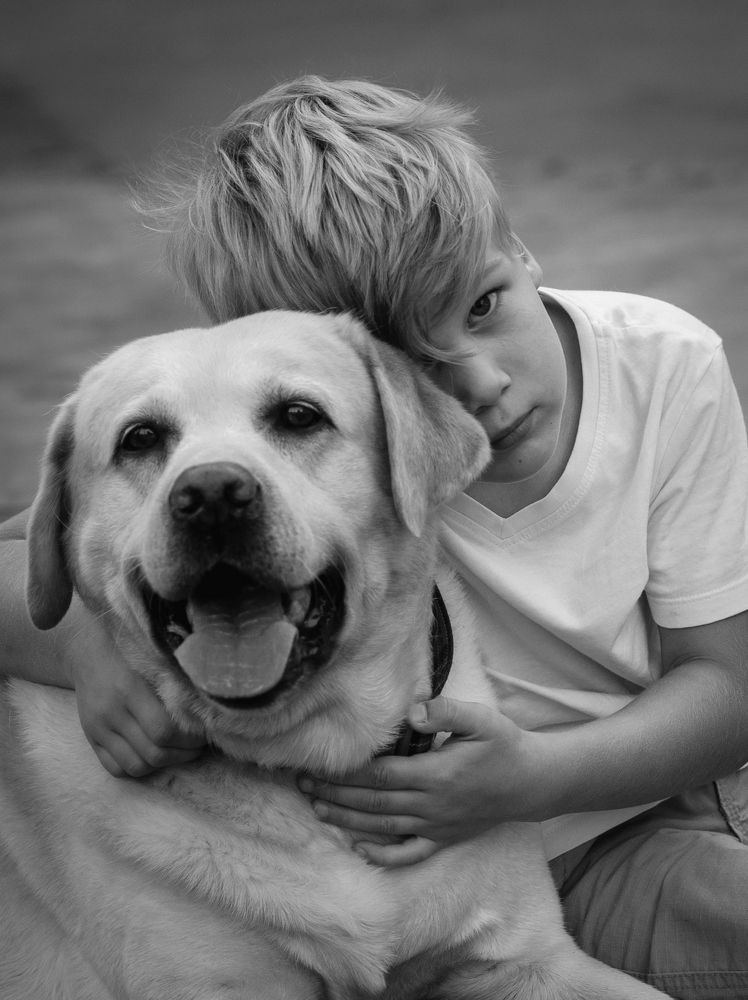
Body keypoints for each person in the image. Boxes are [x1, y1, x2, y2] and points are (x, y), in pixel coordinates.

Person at [3, 76, 748, 997]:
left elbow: (729, 682)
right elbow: (29, 557)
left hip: (595, 815)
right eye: (416, 363)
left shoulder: (657, 368)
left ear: (518, 250)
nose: (474, 383)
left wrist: (537, 781)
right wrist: (88, 647)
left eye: (482, 306)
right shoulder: (338, 432)